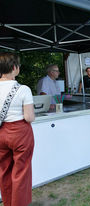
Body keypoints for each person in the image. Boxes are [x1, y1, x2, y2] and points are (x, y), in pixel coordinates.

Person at [0, 53, 35, 206]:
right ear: (14, 68)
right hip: (20, 133)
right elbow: (29, 117)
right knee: (21, 173)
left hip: (1, 133)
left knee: (4, 171)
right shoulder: (23, 89)